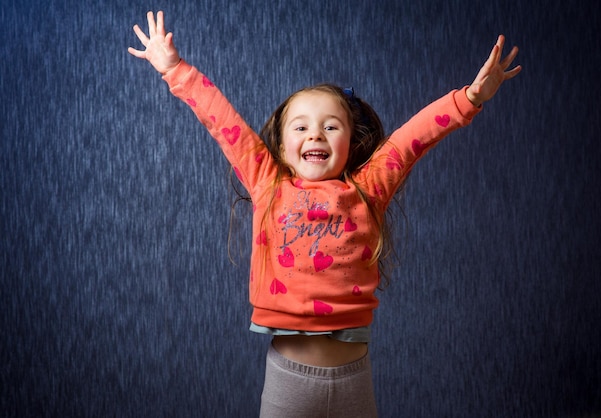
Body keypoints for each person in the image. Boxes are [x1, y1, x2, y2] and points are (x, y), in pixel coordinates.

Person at [128, 10, 521, 417]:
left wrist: (470, 98)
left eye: (330, 127)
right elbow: (221, 119)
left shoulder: (368, 189)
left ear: (351, 143)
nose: (315, 133)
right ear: (280, 148)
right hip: (288, 382)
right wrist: (175, 69)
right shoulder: (267, 182)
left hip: (353, 378)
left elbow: (413, 138)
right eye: (300, 128)